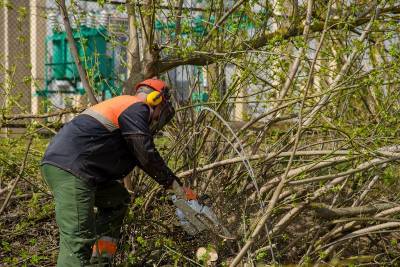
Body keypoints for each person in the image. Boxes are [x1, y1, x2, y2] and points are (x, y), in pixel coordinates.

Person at [41, 78, 191, 266]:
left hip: (81, 169)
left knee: (116, 201)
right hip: (72, 170)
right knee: (77, 240)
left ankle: (100, 262)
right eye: (162, 111)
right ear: (155, 99)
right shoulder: (136, 107)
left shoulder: (126, 111)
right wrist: (172, 183)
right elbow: (144, 153)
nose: (157, 119)